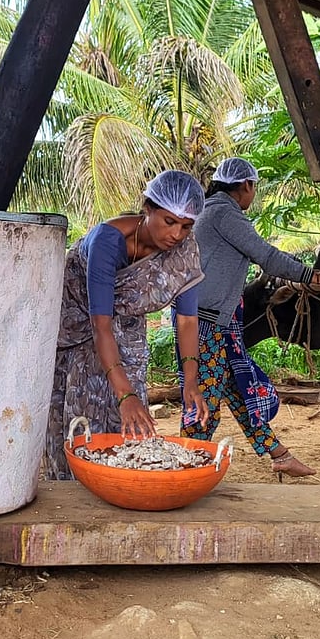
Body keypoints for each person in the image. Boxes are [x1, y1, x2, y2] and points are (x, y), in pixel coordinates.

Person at [180, 157, 320, 479]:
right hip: (204, 323)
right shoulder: (224, 212)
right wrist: (314, 276)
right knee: (204, 401)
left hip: (211, 320)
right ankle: (184, 466)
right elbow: (266, 255)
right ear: (246, 186)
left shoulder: (210, 211)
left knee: (238, 391)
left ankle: (279, 454)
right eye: (254, 188)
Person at [45, 170, 211, 480]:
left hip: (129, 333)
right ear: (147, 210)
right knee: (84, 415)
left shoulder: (184, 252)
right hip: (81, 331)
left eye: (186, 226)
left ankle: (124, 483)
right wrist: (125, 396)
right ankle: (78, 487)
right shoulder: (108, 242)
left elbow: (188, 319)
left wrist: (190, 379)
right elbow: (101, 325)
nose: (176, 234)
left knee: (133, 417)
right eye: (169, 221)